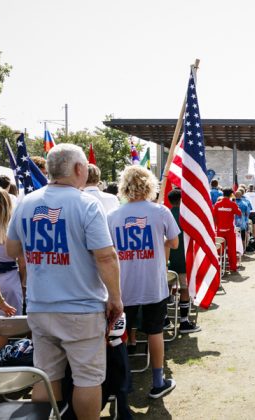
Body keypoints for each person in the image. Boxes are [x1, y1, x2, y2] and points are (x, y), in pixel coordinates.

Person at [7, 143, 122, 418]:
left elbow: (12, 250)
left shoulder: (26, 202)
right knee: (87, 378)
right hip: (80, 308)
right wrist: (116, 298)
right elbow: (106, 257)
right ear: (79, 169)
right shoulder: (86, 203)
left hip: (39, 305)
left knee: (46, 376)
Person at [108, 165, 179, 399]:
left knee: (117, 334)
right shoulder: (161, 212)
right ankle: (158, 381)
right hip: (152, 284)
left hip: (122, 285)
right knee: (155, 332)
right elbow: (175, 243)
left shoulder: (112, 216)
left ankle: (118, 384)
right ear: (149, 185)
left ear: (124, 186)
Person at [0, 189, 24, 349]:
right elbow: (22, 262)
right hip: (9, 280)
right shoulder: (14, 227)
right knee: (5, 327)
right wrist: (23, 283)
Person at [166, 189, 200, 333]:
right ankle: (184, 321)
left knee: (165, 291)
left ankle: (165, 319)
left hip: (166, 260)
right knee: (184, 289)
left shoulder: (165, 214)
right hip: (184, 259)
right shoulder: (187, 216)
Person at [213, 188, 243, 273]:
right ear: (231, 195)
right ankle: (233, 268)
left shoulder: (217, 204)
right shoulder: (232, 204)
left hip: (219, 230)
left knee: (219, 249)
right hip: (229, 230)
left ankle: (218, 267)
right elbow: (239, 213)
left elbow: (214, 216)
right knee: (232, 250)